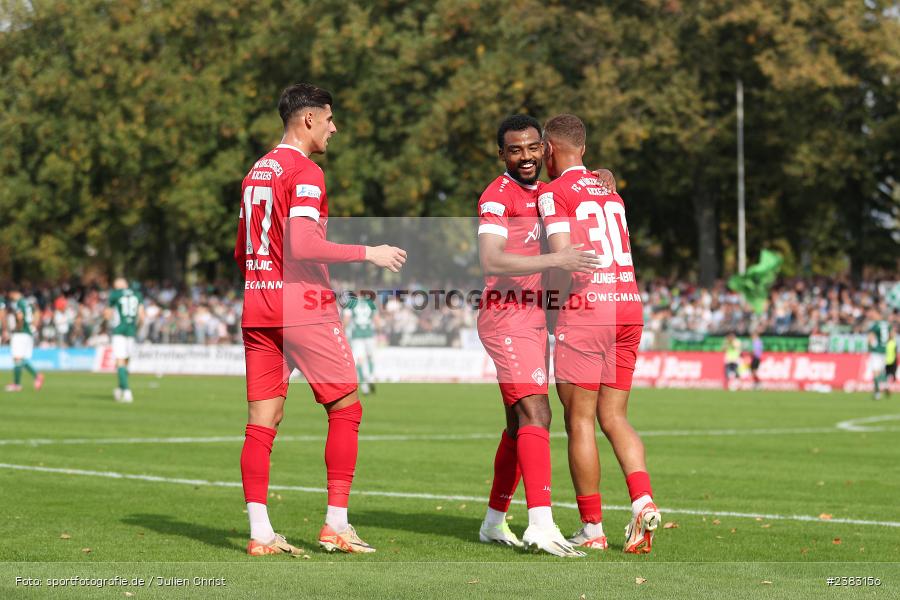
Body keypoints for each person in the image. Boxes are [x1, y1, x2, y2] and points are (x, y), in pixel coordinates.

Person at [235, 83, 406, 556]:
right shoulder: (305, 171)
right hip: (302, 306)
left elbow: (242, 251)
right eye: (329, 119)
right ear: (308, 119)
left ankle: (260, 533)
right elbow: (303, 245)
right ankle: (335, 524)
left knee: (261, 422)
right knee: (347, 407)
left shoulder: (256, 172)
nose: (335, 127)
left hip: (258, 304)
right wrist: (368, 252)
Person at [476, 114, 603, 557]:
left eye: (533, 147)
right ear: (502, 154)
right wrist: (557, 260)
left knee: (517, 424)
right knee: (538, 413)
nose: (526, 156)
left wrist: (599, 176)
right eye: (516, 149)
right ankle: (541, 524)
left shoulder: (547, 192)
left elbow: (582, 184)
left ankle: (494, 522)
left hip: (531, 317)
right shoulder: (497, 197)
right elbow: (492, 260)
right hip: (504, 316)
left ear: (544, 149)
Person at [539, 114, 660, 554]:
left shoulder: (554, 194)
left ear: (549, 151)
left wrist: (551, 312)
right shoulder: (612, 192)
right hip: (628, 306)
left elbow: (563, 257)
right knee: (616, 417)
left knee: (580, 421)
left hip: (588, 310)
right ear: (584, 149)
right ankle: (643, 500)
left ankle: (592, 528)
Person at [105, 278, 145, 403]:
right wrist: (136, 329)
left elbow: (107, 314)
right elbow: (142, 316)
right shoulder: (137, 294)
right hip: (131, 332)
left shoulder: (115, 294)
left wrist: (109, 322)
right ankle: (120, 388)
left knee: (120, 361)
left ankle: (127, 391)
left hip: (119, 331)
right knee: (126, 361)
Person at [5, 290, 44, 393]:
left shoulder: (18, 303)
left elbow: (20, 317)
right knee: (21, 359)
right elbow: (37, 312)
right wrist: (34, 326)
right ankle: (36, 376)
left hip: (20, 333)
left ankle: (18, 384)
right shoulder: (28, 303)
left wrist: (17, 329)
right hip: (28, 334)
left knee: (17, 358)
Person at [343, 292, 379, 395]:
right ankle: (371, 377)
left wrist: (342, 331)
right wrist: (380, 330)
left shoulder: (351, 303)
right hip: (369, 335)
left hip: (357, 336)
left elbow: (346, 320)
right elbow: (376, 320)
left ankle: (364, 386)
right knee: (370, 357)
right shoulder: (370, 303)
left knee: (359, 360)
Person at [867, 309, 891, 400]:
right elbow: (891, 336)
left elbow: (870, 338)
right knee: (882, 371)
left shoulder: (876, 325)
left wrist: (869, 347)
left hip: (876, 351)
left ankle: (877, 393)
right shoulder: (888, 325)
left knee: (876, 372)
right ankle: (886, 386)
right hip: (884, 351)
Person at [885, 324, 896, 397]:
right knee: (892, 375)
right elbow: (895, 352)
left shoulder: (886, 343)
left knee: (888, 375)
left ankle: (888, 387)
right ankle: (889, 388)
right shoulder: (893, 343)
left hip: (886, 361)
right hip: (892, 360)